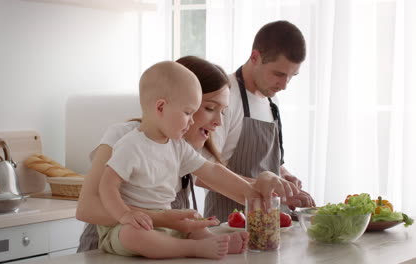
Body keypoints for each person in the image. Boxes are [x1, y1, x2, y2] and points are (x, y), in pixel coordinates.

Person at [96, 60, 298, 260]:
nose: (218, 122)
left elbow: (212, 171)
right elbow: (103, 190)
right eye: (191, 112)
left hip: (163, 228)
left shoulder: (177, 145)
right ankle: (193, 248)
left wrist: (258, 193)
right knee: (134, 234)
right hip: (126, 230)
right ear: (162, 107)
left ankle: (208, 244)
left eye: (223, 112)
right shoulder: (127, 141)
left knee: (195, 220)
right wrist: (128, 216)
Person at [201, 20, 316, 222]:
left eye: (291, 76)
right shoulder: (224, 97)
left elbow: (267, 162)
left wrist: (284, 178)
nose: (284, 85)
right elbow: (200, 172)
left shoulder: (273, 101)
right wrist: (264, 188)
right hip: (228, 225)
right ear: (255, 57)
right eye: (278, 74)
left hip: (268, 225)